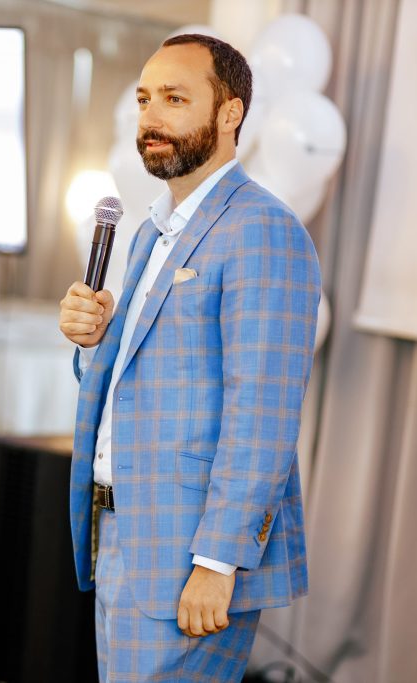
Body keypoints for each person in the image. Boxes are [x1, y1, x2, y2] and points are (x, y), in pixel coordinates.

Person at [58, 34, 321, 681]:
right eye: (145, 99)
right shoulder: (153, 230)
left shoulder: (262, 229)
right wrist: (96, 343)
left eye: (175, 99)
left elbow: (261, 413)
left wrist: (218, 561)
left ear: (230, 114)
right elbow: (145, 382)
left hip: (187, 553)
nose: (152, 116)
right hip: (124, 533)